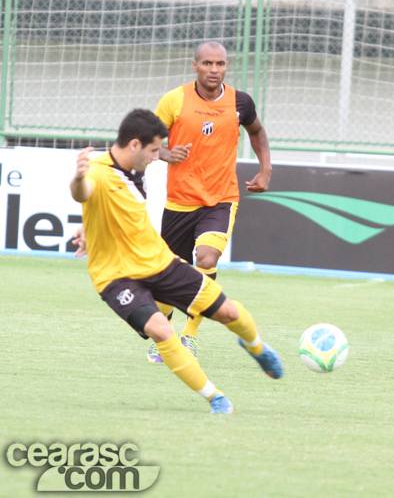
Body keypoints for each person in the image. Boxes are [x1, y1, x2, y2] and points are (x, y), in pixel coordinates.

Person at [70, 109, 283, 414]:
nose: (158, 157)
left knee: (227, 312)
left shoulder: (132, 166)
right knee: (161, 330)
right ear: (134, 145)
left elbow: (112, 208)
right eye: (155, 150)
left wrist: (89, 226)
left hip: (159, 262)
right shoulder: (96, 171)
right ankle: (215, 397)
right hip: (115, 277)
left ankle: (256, 347)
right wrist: (77, 179)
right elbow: (84, 192)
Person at [147, 40, 272, 363]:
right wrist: (166, 154)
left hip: (220, 199)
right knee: (167, 275)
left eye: (220, 64)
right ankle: (164, 336)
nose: (214, 70)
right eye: (207, 64)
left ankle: (190, 335)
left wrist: (265, 170)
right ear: (195, 66)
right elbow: (150, 144)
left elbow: (257, 132)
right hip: (179, 202)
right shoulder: (174, 100)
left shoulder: (240, 102)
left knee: (205, 258)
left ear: (226, 67)